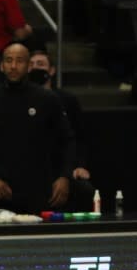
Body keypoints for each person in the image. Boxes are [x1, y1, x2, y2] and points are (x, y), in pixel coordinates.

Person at [0, 42, 75, 214]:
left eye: (20, 61)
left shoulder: (47, 99)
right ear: (2, 66)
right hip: (0, 190)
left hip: (39, 188)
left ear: (28, 66)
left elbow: (67, 140)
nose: (13, 66)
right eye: (9, 61)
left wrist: (64, 177)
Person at [28, 50, 94, 211]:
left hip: (63, 164)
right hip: (32, 165)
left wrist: (80, 165)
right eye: (31, 65)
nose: (36, 68)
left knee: (85, 189)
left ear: (52, 70)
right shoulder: (20, 98)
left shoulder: (67, 99)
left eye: (41, 64)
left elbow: (79, 136)